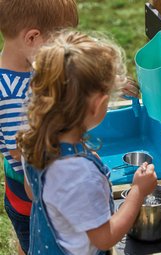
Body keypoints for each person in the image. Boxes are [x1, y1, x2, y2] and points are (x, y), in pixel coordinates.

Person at [17, 30, 157, 255]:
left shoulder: (33, 134)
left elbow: (33, 192)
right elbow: (105, 238)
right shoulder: (79, 173)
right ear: (99, 104)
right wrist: (138, 191)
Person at [0, 1, 78, 254]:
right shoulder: (11, 96)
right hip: (31, 198)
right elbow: (23, 156)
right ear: (33, 37)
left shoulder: (28, 68)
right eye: (58, 44)